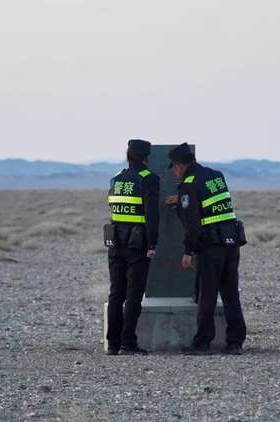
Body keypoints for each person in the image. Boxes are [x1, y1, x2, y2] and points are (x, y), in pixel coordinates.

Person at [165, 143, 247, 355]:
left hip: (211, 247)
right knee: (230, 293)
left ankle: (202, 342)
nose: (175, 173)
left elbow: (192, 223)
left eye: (174, 168)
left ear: (178, 166)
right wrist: (182, 201)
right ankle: (235, 342)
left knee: (206, 294)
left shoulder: (188, 184)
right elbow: (209, 204)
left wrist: (187, 251)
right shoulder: (215, 175)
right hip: (231, 242)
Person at [105, 139, 160, 355]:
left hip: (115, 242)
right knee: (133, 295)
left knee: (116, 294)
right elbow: (152, 216)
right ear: (147, 157)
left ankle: (113, 344)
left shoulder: (117, 178)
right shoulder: (149, 179)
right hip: (138, 245)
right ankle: (128, 343)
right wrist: (152, 244)